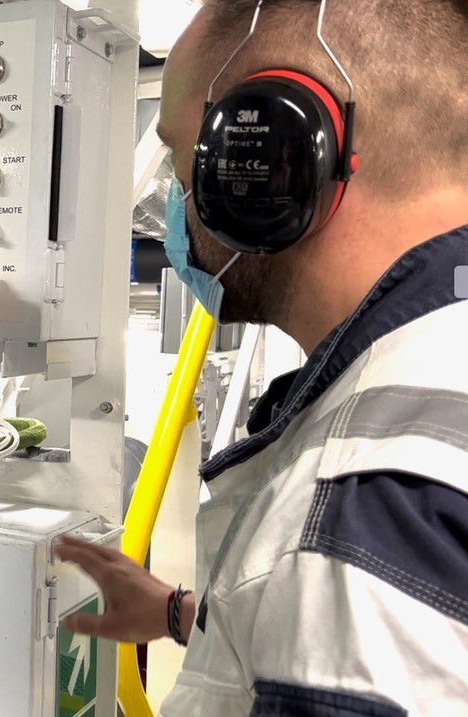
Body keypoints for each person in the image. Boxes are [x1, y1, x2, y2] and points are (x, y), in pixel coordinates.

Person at [58, 0, 468, 714]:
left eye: (182, 163)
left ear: (270, 158)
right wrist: (184, 614)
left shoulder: (356, 516)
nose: (174, 206)